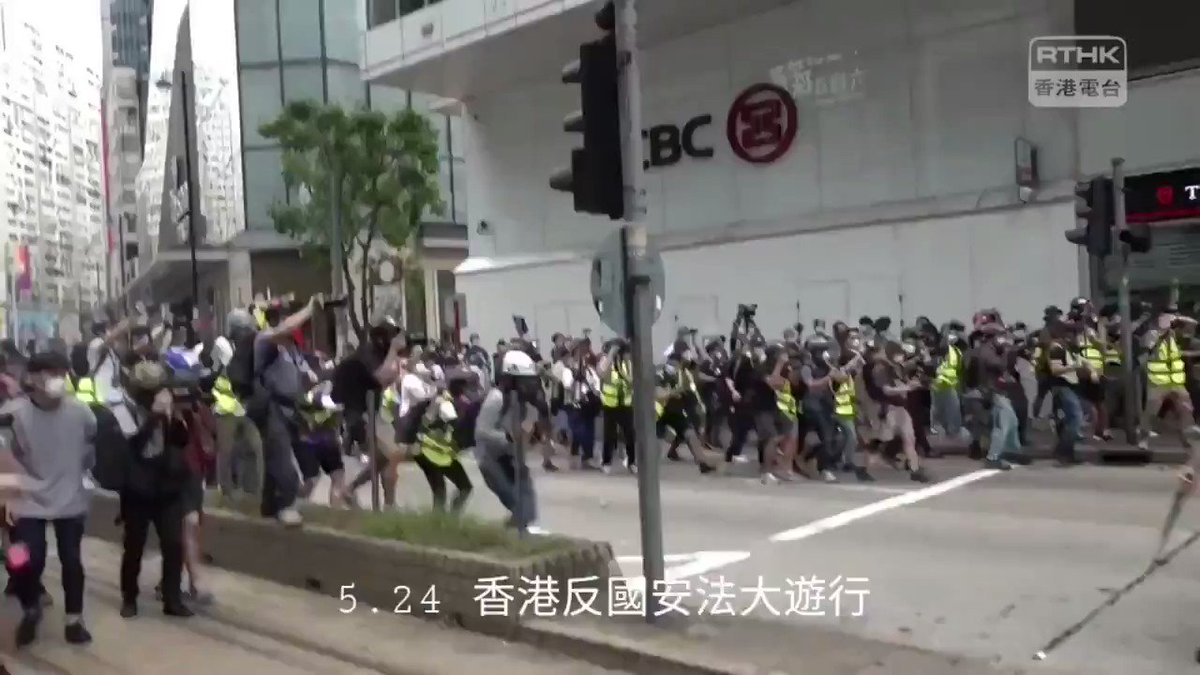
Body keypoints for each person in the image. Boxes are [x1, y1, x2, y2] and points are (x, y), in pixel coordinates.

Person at [1, 351, 97, 646]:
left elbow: (89, 450)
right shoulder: (14, 414)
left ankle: (74, 620)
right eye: (50, 373)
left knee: (71, 559)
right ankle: (31, 605)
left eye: (62, 373)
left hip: (70, 498)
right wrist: (9, 497)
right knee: (23, 559)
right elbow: (4, 457)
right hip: (28, 499)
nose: (57, 379)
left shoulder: (82, 412)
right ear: (32, 377)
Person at [117, 360, 195, 619]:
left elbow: (182, 441)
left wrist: (172, 417)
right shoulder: (124, 409)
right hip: (138, 491)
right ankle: (129, 598)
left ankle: (172, 598)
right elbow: (134, 445)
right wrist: (155, 416)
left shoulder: (168, 407)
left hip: (167, 488)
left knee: (173, 545)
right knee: (134, 547)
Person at [254, 295, 322, 525]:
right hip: (274, 409)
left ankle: (271, 503)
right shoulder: (264, 340)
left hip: (295, 409)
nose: (286, 319)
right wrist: (310, 307)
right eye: (281, 316)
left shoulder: (292, 348)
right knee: (282, 461)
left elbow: (306, 376)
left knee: (311, 466)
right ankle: (284, 505)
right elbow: (288, 327)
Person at [475, 350, 539, 530]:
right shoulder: (496, 399)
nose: (527, 385)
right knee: (518, 505)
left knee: (528, 507)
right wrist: (508, 438)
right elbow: (482, 431)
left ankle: (515, 533)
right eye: (522, 380)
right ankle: (512, 536)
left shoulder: (520, 401)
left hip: (511, 459)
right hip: (491, 461)